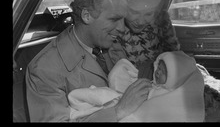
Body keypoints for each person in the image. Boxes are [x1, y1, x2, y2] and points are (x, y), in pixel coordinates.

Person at [25, 0, 152, 122]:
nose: (122, 28)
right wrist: (118, 111)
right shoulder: (44, 70)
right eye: (114, 19)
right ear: (87, 16)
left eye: (123, 19)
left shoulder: (109, 42)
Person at [68, 51, 206, 122]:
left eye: (164, 72)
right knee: (102, 95)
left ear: (176, 79)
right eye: (159, 67)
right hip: (126, 106)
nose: (157, 72)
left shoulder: (174, 98)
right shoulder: (151, 83)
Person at [108, 0, 180, 73]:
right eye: (134, 12)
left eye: (148, 14)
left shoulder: (162, 21)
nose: (141, 21)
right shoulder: (112, 29)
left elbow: (174, 57)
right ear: (123, 7)